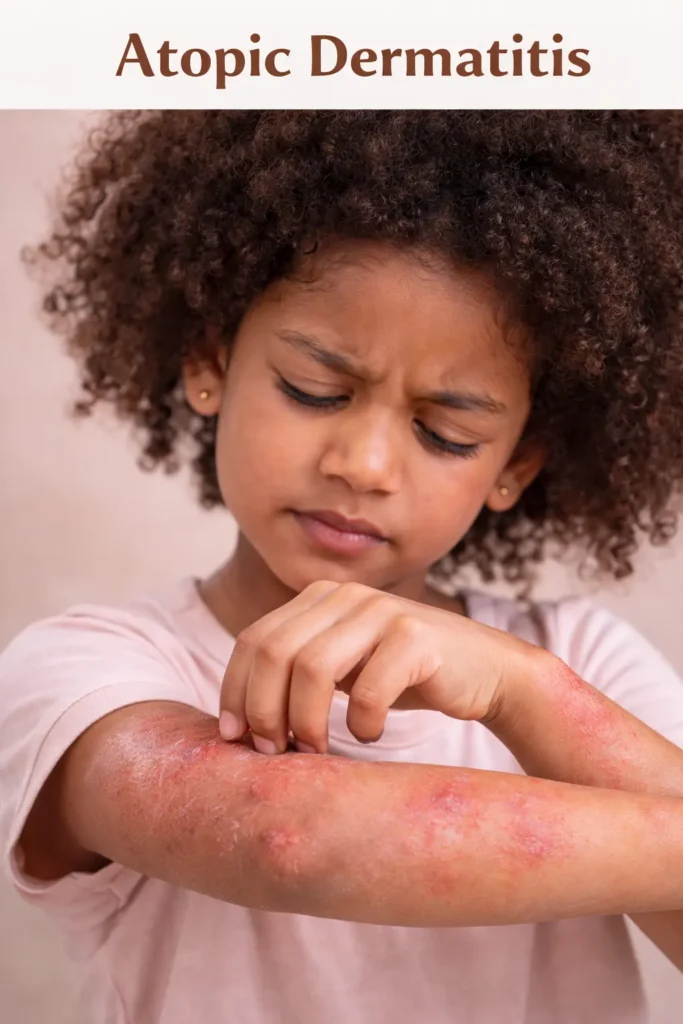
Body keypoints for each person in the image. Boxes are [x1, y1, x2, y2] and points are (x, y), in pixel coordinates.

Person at [2, 110, 683, 1024]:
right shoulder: (84, 676)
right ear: (212, 361)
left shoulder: (580, 663)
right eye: (313, 389)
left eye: (446, 433)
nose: (363, 464)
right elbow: (290, 839)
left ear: (514, 465)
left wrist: (523, 692)